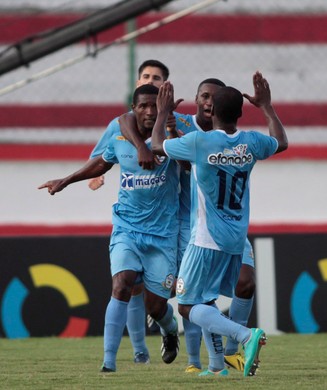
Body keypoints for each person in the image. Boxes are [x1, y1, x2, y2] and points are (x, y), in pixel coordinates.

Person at [150, 71, 287, 376]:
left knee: (186, 305)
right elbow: (281, 142)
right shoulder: (251, 142)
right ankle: (216, 367)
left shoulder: (200, 142)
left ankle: (243, 336)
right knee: (206, 300)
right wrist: (266, 106)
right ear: (241, 113)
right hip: (237, 240)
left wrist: (162, 114)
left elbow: (158, 146)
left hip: (205, 239)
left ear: (211, 112)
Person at [119, 78, 258, 374]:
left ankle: (237, 348)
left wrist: (166, 128)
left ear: (220, 106)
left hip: (229, 231)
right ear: (196, 100)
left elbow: (165, 150)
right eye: (204, 96)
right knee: (198, 300)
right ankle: (205, 363)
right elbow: (129, 124)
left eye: (213, 98)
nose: (208, 102)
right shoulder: (187, 127)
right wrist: (168, 124)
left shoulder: (235, 138)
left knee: (240, 285)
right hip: (195, 227)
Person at [39, 84, 181, 371]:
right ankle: (108, 364)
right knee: (122, 284)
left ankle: (169, 329)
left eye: (155, 105)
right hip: (126, 227)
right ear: (134, 108)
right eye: (143, 106)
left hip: (163, 233)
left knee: (155, 307)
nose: (150, 111)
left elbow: (190, 164)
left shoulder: (171, 136)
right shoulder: (119, 135)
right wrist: (65, 181)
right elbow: (102, 163)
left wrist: (171, 134)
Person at [86, 59, 172, 365]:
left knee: (156, 299)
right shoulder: (120, 122)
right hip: (133, 220)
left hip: (170, 221)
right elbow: (101, 154)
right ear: (138, 84)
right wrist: (96, 174)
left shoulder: (176, 123)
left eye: (157, 77)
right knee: (128, 284)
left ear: (167, 86)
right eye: (146, 76)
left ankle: (167, 329)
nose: (151, 80)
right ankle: (137, 352)